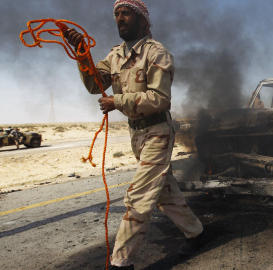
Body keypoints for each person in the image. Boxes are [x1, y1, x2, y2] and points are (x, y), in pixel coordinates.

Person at [64, 1, 205, 269]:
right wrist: (81, 53)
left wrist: (118, 101)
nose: (120, 18)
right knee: (163, 191)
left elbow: (160, 99)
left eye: (126, 13)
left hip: (158, 132)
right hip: (137, 134)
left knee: (138, 196)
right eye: (116, 14)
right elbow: (95, 84)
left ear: (142, 20)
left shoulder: (157, 53)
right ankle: (197, 233)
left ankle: (121, 262)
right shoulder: (115, 55)